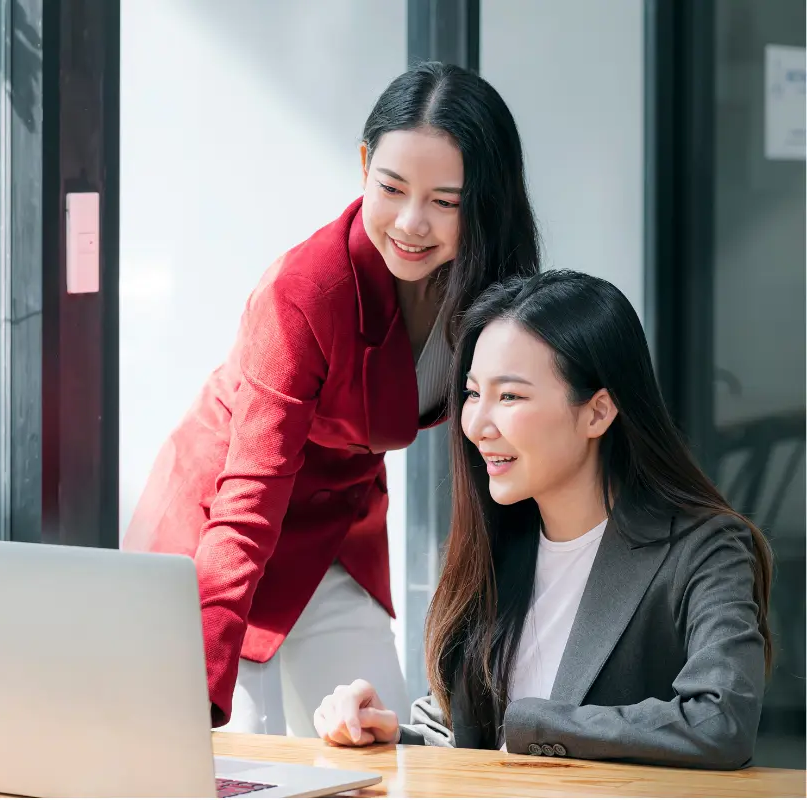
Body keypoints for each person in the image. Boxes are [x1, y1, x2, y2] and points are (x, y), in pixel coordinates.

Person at [122, 61, 541, 734]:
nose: (411, 222)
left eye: (446, 201)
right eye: (392, 187)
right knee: (236, 754)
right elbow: (249, 497)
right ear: (364, 163)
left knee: (380, 742)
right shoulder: (306, 289)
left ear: (486, 199)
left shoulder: (493, 290)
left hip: (337, 531)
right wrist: (193, 688)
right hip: (225, 527)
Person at [312, 270, 773, 770]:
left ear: (597, 413)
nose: (477, 425)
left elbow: (720, 723)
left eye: (509, 396)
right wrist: (388, 734)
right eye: (472, 393)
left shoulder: (704, 549)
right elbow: (463, 735)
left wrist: (537, 725)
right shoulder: (500, 539)